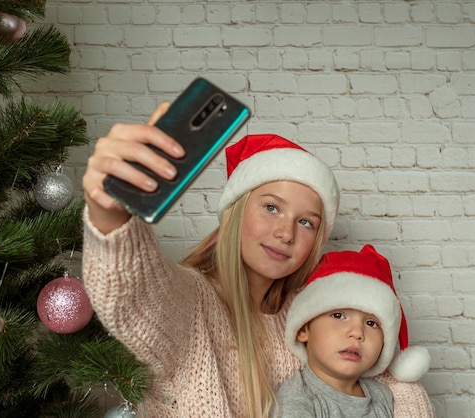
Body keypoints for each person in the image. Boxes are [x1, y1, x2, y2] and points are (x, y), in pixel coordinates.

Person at [81, 103, 435, 417]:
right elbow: (133, 293)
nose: (285, 233)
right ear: (235, 212)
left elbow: (388, 374)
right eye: (271, 207)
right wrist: (109, 212)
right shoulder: (191, 304)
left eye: (306, 222)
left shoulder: (309, 312)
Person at [277, 245, 431, 417]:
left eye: (372, 323)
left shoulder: (383, 396)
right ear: (304, 329)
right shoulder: (297, 399)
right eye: (338, 315)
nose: (357, 332)